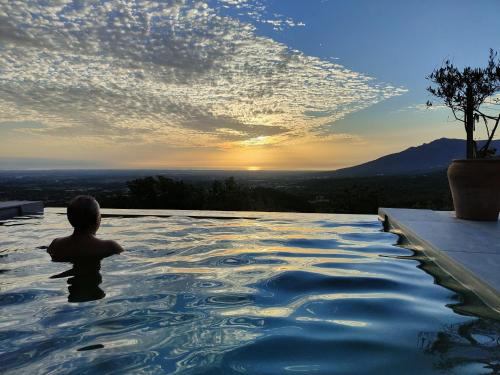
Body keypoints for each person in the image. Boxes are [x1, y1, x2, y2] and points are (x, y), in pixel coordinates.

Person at [48, 195, 124, 262]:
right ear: (97, 220)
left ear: (69, 219)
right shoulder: (110, 246)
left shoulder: (56, 244)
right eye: (99, 215)